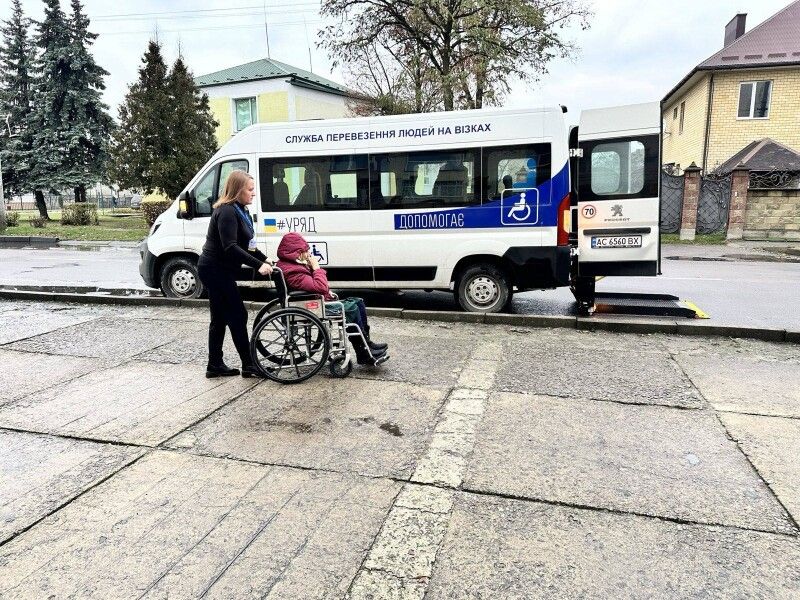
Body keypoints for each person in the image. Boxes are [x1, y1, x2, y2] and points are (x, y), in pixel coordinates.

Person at [198, 170, 273, 378]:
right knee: (238, 315)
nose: (253, 193)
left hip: (221, 270)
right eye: (250, 189)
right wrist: (258, 265)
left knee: (219, 318)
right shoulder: (227, 212)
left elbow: (247, 246)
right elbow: (230, 247)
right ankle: (249, 365)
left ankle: (214, 365)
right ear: (238, 190)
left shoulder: (241, 211)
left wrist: (265, 259)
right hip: (214, 270)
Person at [275, 232, 388, 365]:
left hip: (312, 301)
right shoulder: (293, 271)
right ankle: (362, 351)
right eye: (305, 251)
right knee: (351, 308)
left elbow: (314, 286)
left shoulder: (290, 265)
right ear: (297, 252)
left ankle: (367, 343)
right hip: (311, 306)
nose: (308, 254)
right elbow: (321, 287)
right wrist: (316, 268)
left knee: (358, 302)